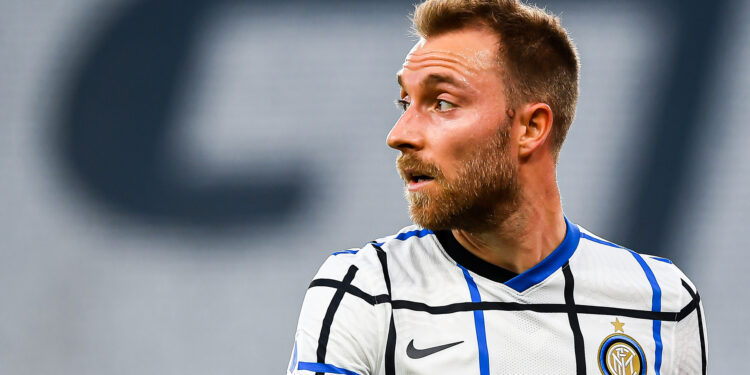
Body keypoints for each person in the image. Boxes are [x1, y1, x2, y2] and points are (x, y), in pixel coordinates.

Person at [287, 0, 707, 374]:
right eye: (405, 103)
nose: (399, 134)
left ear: (530, 128)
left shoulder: (664, 302)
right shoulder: (366, 290)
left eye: (442, 103)